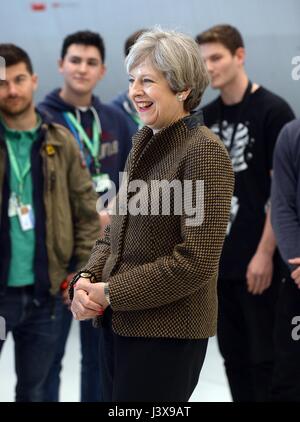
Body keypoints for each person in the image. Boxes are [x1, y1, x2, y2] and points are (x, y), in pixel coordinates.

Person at [69, 28, 234, 402]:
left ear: (182, 89)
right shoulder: (145, 141)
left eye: (148, 81)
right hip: (120, 324)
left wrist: (110, 291)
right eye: (132, 81)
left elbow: (195, 262)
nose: (134, 92)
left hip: (166, 334)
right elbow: (114, 233)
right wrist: (86, 279)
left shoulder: (203, 152)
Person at [195, 24, 295, 401]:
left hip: (260, 264)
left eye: (216, 57)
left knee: (266, 359)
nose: (209, 67)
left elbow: (281, 195)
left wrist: (265, 254)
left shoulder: (273, 111)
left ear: (240, 56)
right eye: (202, 61)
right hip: (220, 267)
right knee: (233, 359)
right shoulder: (205, 118)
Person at [38, 30, 134, 402]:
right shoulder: (42, 119)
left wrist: (116, 209)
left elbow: (135, 177)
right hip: (54, 261)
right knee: (47, 358)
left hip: (104, 261)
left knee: (99, 359)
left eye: (91, 62)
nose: (82, 68)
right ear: (61, 65)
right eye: (75, 60)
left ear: (103, 70)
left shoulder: (115, 119)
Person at [0, 43, 99, 401]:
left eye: (19, 79)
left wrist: (77, 273)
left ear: (34, 80)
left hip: (47, 293)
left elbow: (88, 215)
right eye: (3, 82)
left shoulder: (61, 141)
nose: (11, 90)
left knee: (36, 391)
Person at [270, 118, 300, 401]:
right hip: (297, 277)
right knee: (289, 375)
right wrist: (296, 263)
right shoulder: (291, 134)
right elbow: (282, 206)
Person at [111, 29, 148, 132]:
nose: (145, 66)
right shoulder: (114, 113)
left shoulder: (169, 104)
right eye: (138, 60)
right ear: (127, 63)